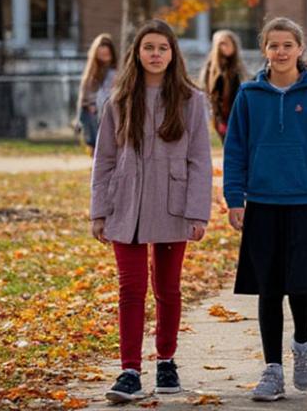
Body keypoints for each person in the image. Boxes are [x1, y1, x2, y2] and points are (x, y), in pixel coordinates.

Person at [223, 17, 307, 402]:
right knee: (268, 289)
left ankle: (303, 345)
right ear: (264, 50)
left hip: (304, 204)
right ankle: (272, 369)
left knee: (301, 286)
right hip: (261, 203)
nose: (280, 52)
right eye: (273, 45)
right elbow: (236, 149)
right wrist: (234, 197)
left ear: (299, 49)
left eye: (287, 45)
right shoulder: (249, 95)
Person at [90, 20, 212, 404]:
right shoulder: (119, 98)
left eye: (162, 47)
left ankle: (166, 360)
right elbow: (104, 159)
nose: (156, 54)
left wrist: (198, 212)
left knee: (168, 288)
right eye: (149, 48)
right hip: (125, 204)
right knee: (131, 288)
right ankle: (129, 370)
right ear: (137, 53)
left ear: (173, 53)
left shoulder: (191, 101)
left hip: (172, 205)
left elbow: (200, 160)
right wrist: (99, 211)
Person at [200, 29, 247, 140]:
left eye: (227, 43)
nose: (225, 47)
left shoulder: (237, 66)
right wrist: (219, 119)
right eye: (221, 43)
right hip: (222, 117)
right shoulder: (212, 67)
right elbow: (212, 95)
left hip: (239, 115)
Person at [76, 33, 118, 153]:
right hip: (92, 117)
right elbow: (84, 96)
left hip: (109, 115)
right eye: (101, 56)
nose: (104, 59)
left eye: (107, 55)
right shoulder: (90, 73)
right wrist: (89, 105)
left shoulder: (115, 72)